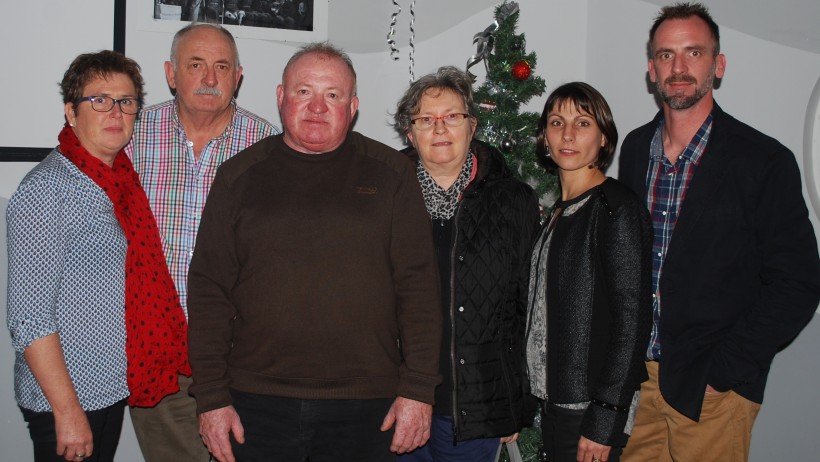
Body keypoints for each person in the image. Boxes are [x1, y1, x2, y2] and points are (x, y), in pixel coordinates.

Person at [187, 42, 442, 462]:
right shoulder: (239, 177)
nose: (317, 107)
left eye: (333, 95)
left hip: (368, 406)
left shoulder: (392, 174)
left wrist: (418, 391)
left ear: (353, 105)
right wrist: (211, 398)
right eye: (304, 91)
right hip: (255, 403)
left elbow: (419, 290)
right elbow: (209, 291)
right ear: (280, 97)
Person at [618, 3, 820, 461]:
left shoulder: (763, 161)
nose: (679, 67)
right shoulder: (634, 150)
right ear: (652, 70)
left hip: (713, 393)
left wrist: (724, 371)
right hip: (639, 385)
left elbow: (798, 283)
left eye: (694, 52)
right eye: (666, 55)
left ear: (718, 65)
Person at [7, 50, 189, 461]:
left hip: (108, 386)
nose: (115, 112)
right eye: (99, 100)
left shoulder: (120, 182)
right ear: (71, 113)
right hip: (69, 396)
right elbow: (28, 318)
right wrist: (67, 411)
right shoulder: (47, 190)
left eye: (126, 102)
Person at [125, 22, 278, 462]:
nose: (209, 79)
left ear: (238, 76)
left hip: (242, 357)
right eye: (196, 65)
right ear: (172, 73)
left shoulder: (268, 147)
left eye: (221, 67)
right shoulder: (131, 136)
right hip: (159, 356)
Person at [392, 66, 540, 462]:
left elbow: (526, 308)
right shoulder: (383, 197)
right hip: (396, 400)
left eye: (452, 116)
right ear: (410, 132)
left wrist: (516, 402)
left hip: (478, 403)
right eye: (426, 119)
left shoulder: (514, 201)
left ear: (472, 126)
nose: (440, 129)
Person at [524, 82, 653, 462]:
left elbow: (632, 324)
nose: (567, 134)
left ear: (603, 138)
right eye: (556, 121)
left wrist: (605, 420)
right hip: (554, 405)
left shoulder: (616, 209)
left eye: (582, 123)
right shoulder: (558, 211)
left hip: (587, 409)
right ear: (544, 138)